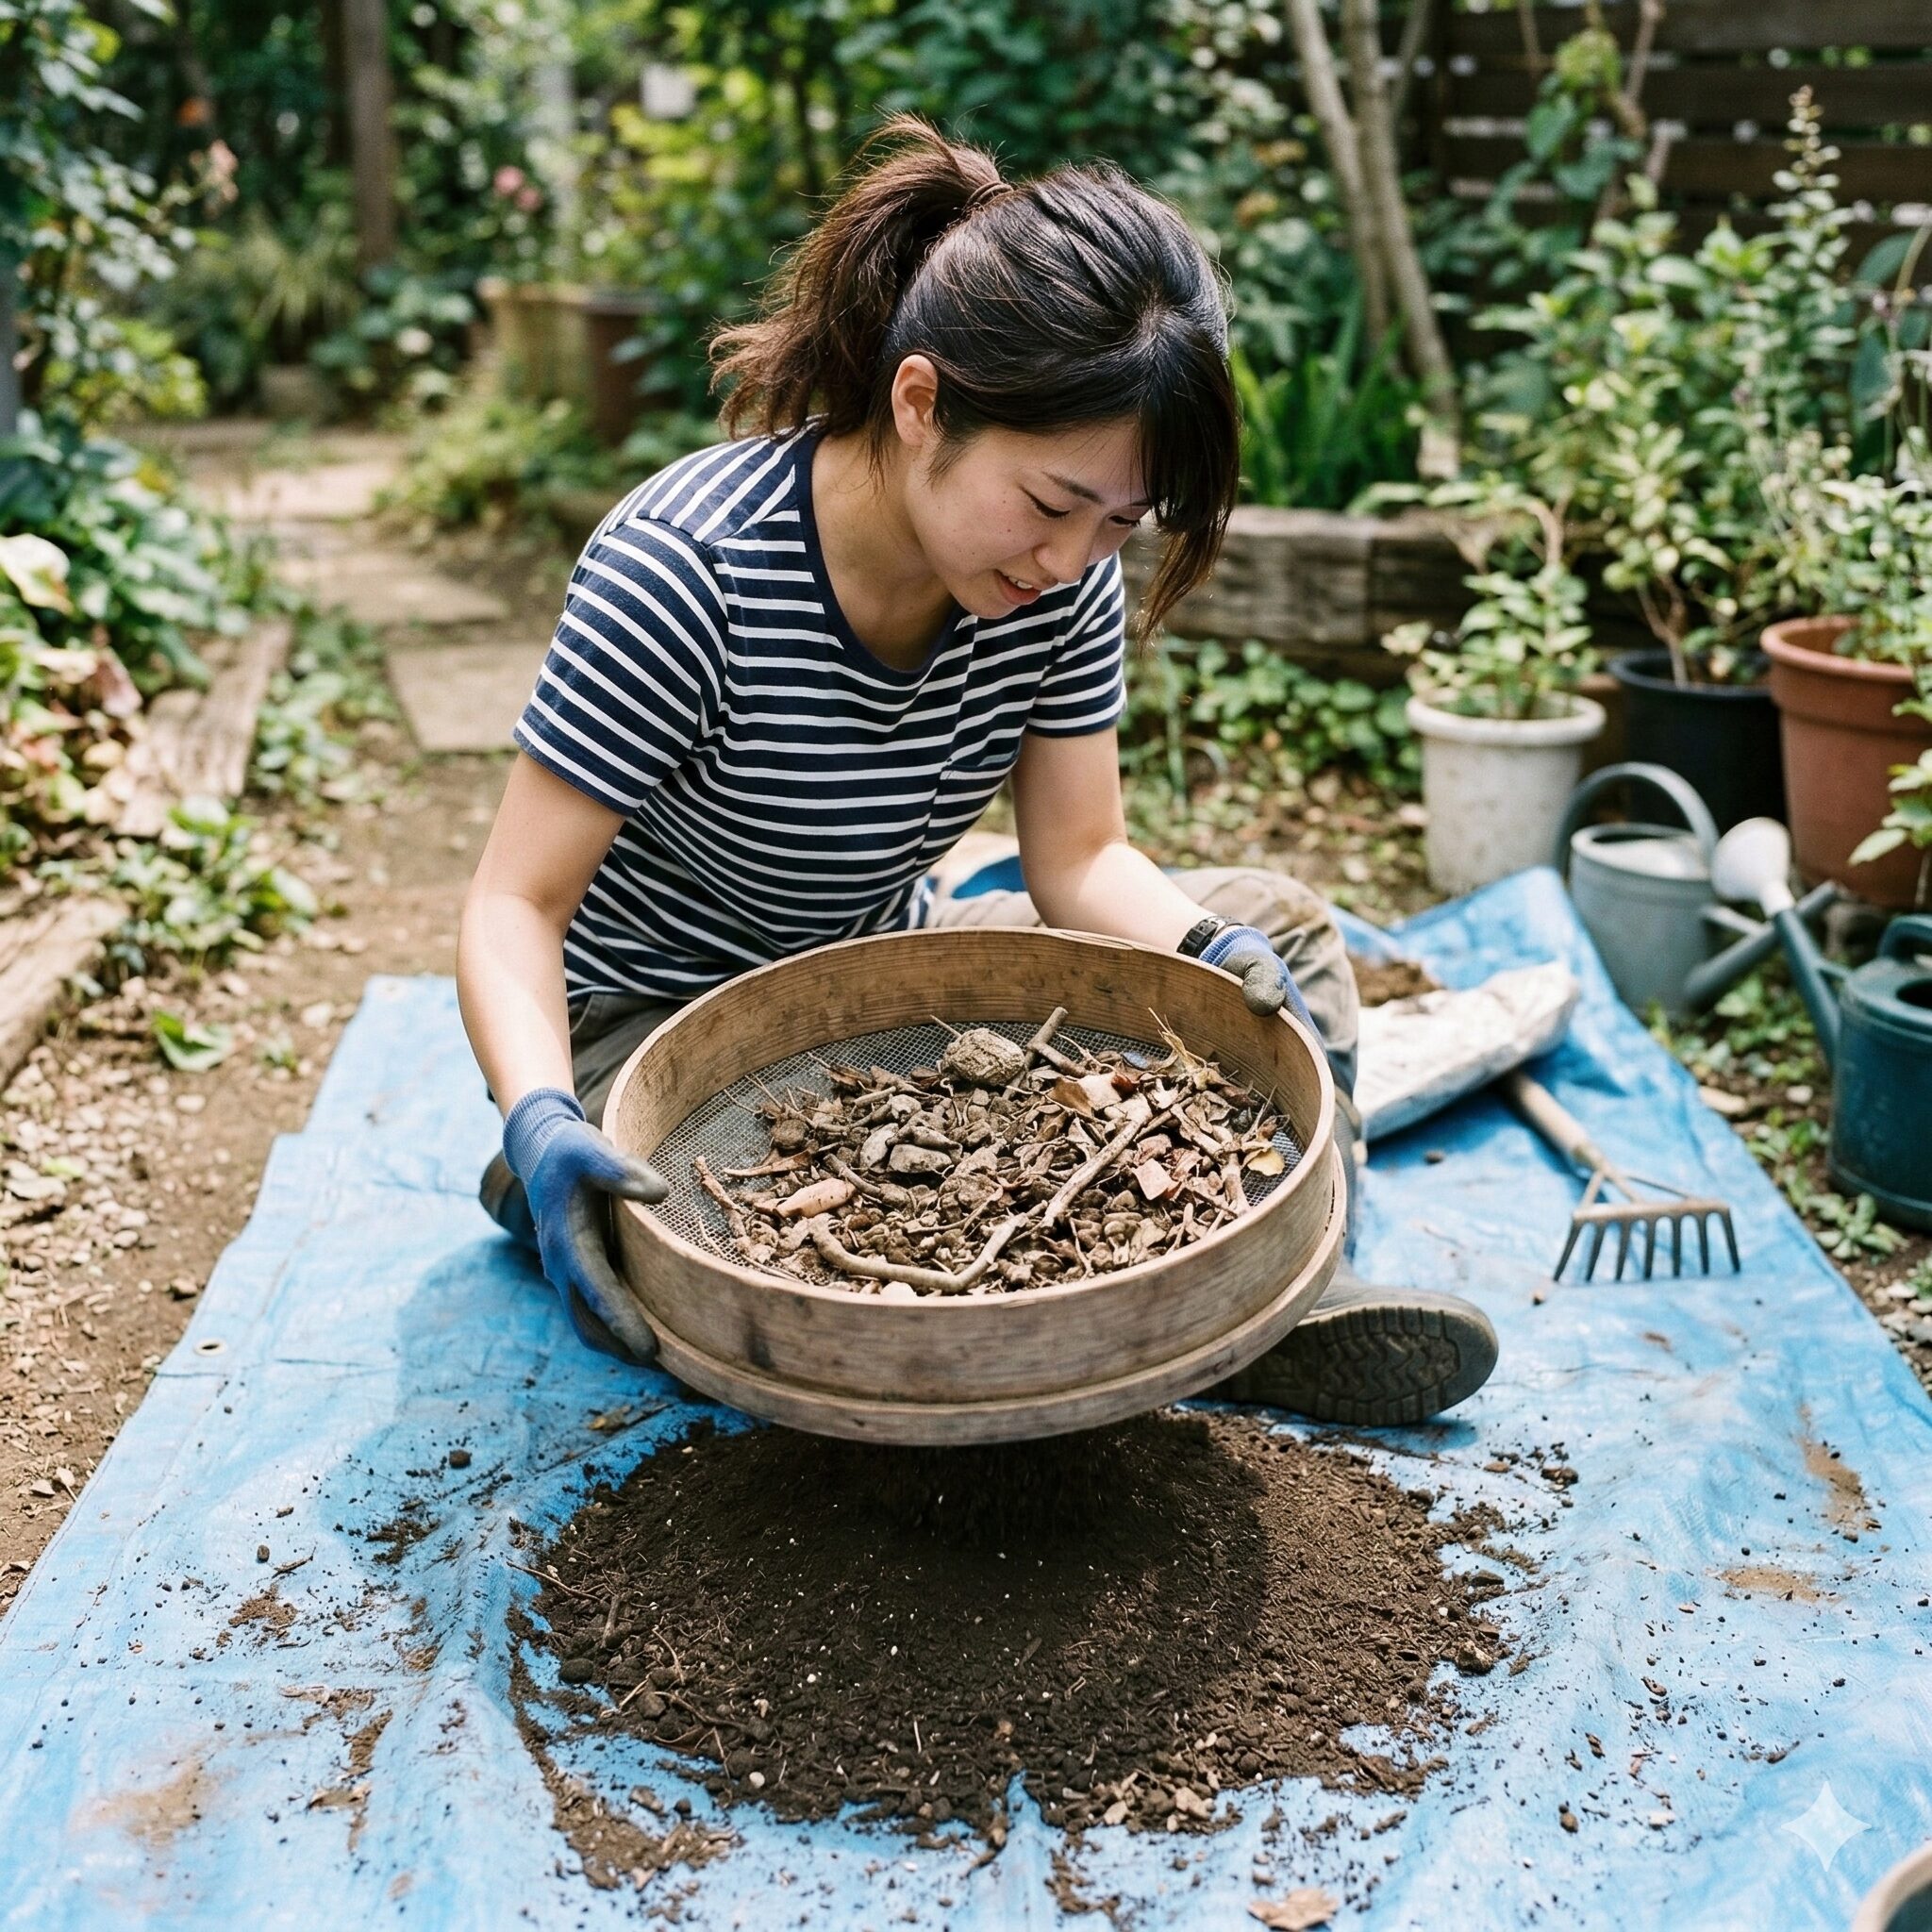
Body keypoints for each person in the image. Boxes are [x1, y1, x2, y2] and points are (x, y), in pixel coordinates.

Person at [457, 116, 1496, 1426]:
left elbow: (1079, 860)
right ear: (919, 402)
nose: (1073, 558)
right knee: (748, 1278)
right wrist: (542, 1118)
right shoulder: (688, 572)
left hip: (882, 988)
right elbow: (515, 906)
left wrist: (1211, 954)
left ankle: (1277, 1299)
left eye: (1120, 523)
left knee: (1282, 933)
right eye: (1053, 503)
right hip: (646, 1040)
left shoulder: (1059, 588)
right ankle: (1109, 1344)